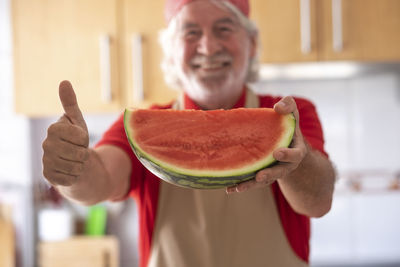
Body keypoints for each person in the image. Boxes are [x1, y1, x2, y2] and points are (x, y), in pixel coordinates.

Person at [42, 0, 336, 266]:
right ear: (170, 50)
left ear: (252, 44)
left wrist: (298, 161)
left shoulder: (290, 115)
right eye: (191, 33)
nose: (208, 47)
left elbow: (319, 201)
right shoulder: (143, 126)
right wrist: (74, 169)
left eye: (224, 29)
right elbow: (100, 179)